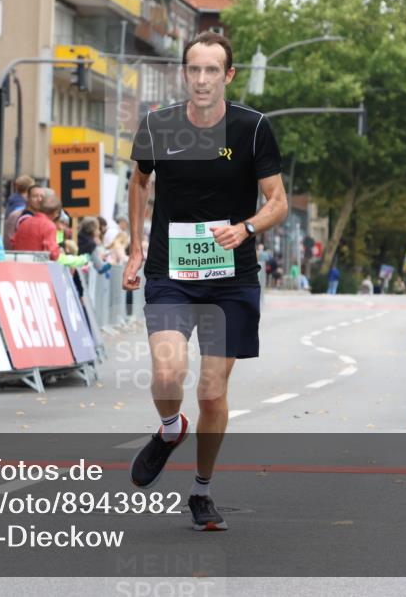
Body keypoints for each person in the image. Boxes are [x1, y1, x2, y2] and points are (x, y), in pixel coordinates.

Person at [123, 31, 287, 532]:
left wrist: (247, 228)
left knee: (213, 392)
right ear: (184, 73)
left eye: (212, 70)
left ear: (228, 75)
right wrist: (135, 247)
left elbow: (277, 200)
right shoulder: (157, 125)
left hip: (230, 277)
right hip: (171, 271)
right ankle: (171, 429)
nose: (202, 79)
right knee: (169, 374)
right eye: (194, 69)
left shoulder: (253, 129)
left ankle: (201, 490)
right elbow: (139, 181)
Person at [12, 193, 61, 260]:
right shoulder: (49, 226)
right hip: (39, 267)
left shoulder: (24, 222)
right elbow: (53, 254)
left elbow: (14, 244)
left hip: (21, 266)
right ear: (56, 213)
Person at [4, 184, 45, 248]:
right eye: (35, 196)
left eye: (42, 196)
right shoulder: (16, 216)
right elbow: (10, 242)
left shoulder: (44, 217)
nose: (39, 199)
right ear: (27, 198)